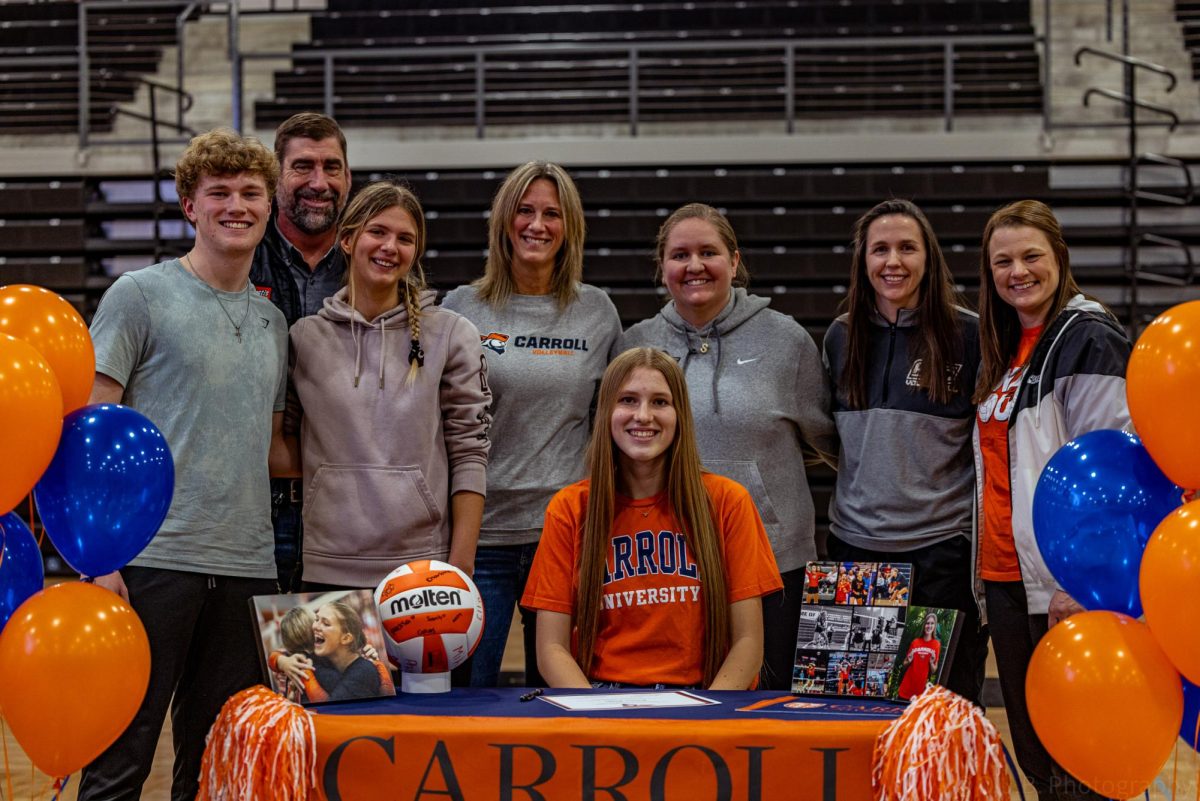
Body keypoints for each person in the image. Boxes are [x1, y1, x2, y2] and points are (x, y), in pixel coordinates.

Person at [78, 129, 286, 801]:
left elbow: (274, 445)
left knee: (215, 765)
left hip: (247, 565)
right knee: (121, 757)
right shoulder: (139, 294)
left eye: (251, 192)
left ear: (269, 205)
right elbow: (90, 429)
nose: (237, 205)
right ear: (189, 205)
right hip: (150, 561)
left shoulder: (272, 322)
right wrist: (99, 559)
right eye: (218, 192)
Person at [623, 203, 836, 690]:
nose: (694, 265)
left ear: (734, 262)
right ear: (662, 267)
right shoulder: (636, 344)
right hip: (669, 567)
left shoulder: (786, 340)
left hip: (774, 563)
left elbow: (826, 441)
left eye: (708, 252)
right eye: (679, 254)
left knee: (769, 718)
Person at [441, 161, 622, 687]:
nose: (537, 225)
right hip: (482, 536)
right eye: (524, 210)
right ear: (503, 221)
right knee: (466, 695)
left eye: (551, 213)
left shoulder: (596, 311)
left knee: (567, 697)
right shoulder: (462, 308)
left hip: (565, 538)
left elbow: (607, 424)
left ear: (569, 228)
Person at [974, 200, 1131, 801]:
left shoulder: (1088, 337)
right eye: (1003, 262)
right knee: (1040, 761)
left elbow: (1113, 475)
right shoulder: (1005, 346)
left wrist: (1082, 579)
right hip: (1006, 579)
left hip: (1063, 586)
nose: (1019, 272)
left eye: (1031, 256)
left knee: (1082, 765)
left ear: (1059, 259)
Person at [274, 181, 491, 594]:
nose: (390, 247)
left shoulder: (451, 334)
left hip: (424, 569)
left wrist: (460, 566)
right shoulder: (303, 337)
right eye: (378, 232)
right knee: (336, 663)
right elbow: (289, 442)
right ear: (348, 239)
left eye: (405, 238)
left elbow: (470, 452)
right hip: (326, 565)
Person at [521, 347, 782, 689]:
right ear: (606, 412)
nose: (643, 415)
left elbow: (748, 644)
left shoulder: (728, 501)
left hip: (705, 696)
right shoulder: (570, 508)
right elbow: (551, 649)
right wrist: (599, 716)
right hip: (601, 696)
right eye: (628, 400)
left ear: (680, 415)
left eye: (660, 402)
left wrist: (708, 718)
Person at [822, 198, 988, 705]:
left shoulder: (969, 334)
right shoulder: (840, 337)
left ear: (928, 257)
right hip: (858, 555)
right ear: (863, 261)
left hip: (942, 554)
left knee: (943, 714)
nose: (893, 261)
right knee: (859, 713)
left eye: (907, 248)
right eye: (880, 249)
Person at [250, 112, 353, 592]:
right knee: (247, 661)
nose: (320, 182)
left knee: (327, 658)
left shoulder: (375, 261)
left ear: (348, 177)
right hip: (252, 503)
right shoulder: (239, 255)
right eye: (303, 166)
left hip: (345, 507)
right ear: (276, 178)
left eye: (332, 167)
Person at [896, 612, 941, 701]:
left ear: (934, 626)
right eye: (927, 623)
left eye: (932, 623)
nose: (929, 626)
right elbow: (904, 664)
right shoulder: (915, 642)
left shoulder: (936, 644)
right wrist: (909, 660)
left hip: (920, 690)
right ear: (924, 625)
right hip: (907, 686)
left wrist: (932, 663)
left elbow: (933, 670)